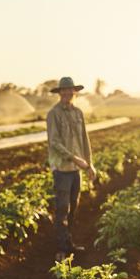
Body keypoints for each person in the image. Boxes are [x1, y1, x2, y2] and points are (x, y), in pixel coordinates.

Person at [46, 77, 96, 262]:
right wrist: (75, 158)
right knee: (62, 209)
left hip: (76, 170)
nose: (67, 93)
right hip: (62, 169)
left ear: (75, 92)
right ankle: (60, 249)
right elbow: (54, 142)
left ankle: (68, 244)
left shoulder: (78, 113)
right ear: (59, 93)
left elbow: (84, 139)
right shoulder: (54, 114)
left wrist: (89, 164)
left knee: (73, 208)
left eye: (70, 91)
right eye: (64, 91)